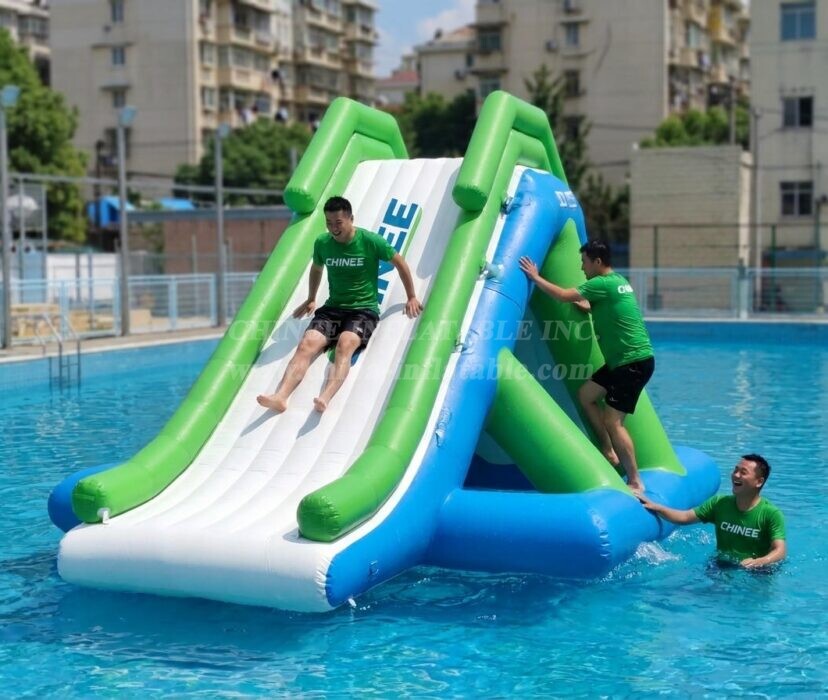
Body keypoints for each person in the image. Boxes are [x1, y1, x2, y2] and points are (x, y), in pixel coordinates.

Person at [257, 196, 423, 414]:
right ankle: (280, 396)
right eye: (329, 223)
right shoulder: (323, 243)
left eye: (338, 223)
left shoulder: (370, 241)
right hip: (333, 308)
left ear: (351, 219)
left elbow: (399, 263)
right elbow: (316, 269)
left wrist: (411, 296)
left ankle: (325, 397)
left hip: (363, 310)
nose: (333, 228)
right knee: (306, 344)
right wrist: (311, 298)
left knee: (345, 344)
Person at [519, 239, 654, 493]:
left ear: (597, 262)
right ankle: (608, 449)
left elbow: (562, 296)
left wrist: (535, 277)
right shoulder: (618, 282)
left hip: (631, 363)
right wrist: (590, 307)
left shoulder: (601, 283)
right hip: (622, 361)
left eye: (584, 262)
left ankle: (635, 480)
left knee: (613, 421)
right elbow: (615, 311)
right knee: (586, 396)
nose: (582, 267)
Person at [638, 454, 787, 569]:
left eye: (743, 472)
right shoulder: (719, 503)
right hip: (722, 564)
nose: (736, 475)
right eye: (735, 470)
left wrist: (759, 562)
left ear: (759, 482)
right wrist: (656, 506)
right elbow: (685, 517)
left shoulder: (770, 514)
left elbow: (780, 550)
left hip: (757, 570)